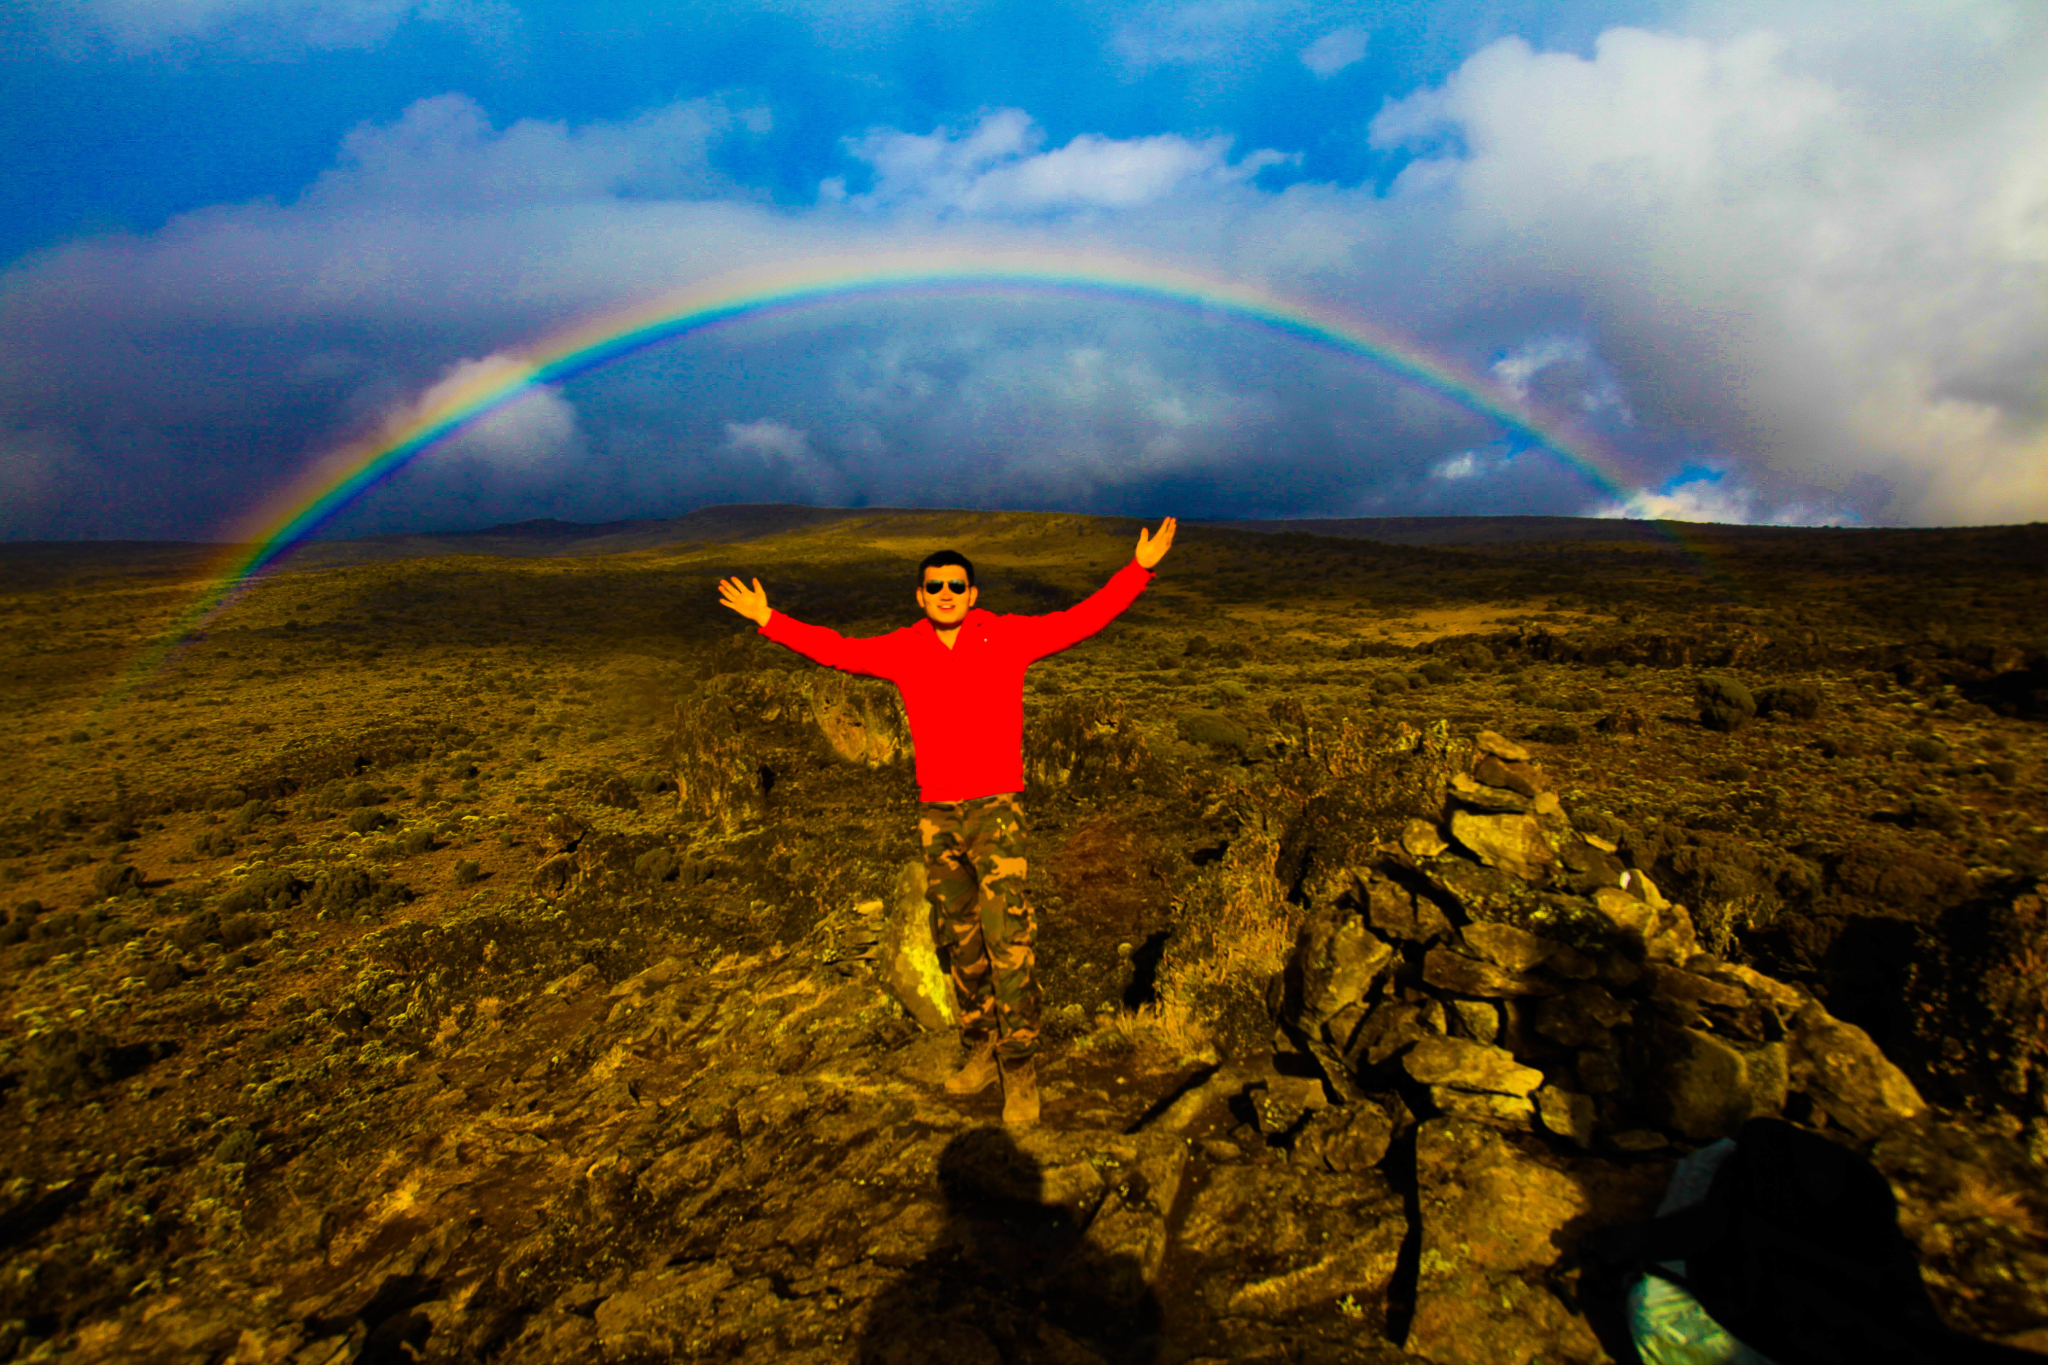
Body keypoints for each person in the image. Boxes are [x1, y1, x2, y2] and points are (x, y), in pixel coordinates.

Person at [716, 517, 1176, 1124]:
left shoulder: (1006, 637)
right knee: (960, 941)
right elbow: (839, 650)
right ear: (920, 595)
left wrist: (1137, 571)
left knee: (1007, 939)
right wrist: (770, 620)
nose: (946, 594)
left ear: (973, 593)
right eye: (935, 586)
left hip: (996, 809)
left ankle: (1021, 1072)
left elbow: (1080, 621)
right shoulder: (904, 649)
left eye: (957, 585)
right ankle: (978, 1050)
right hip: (938, 814)